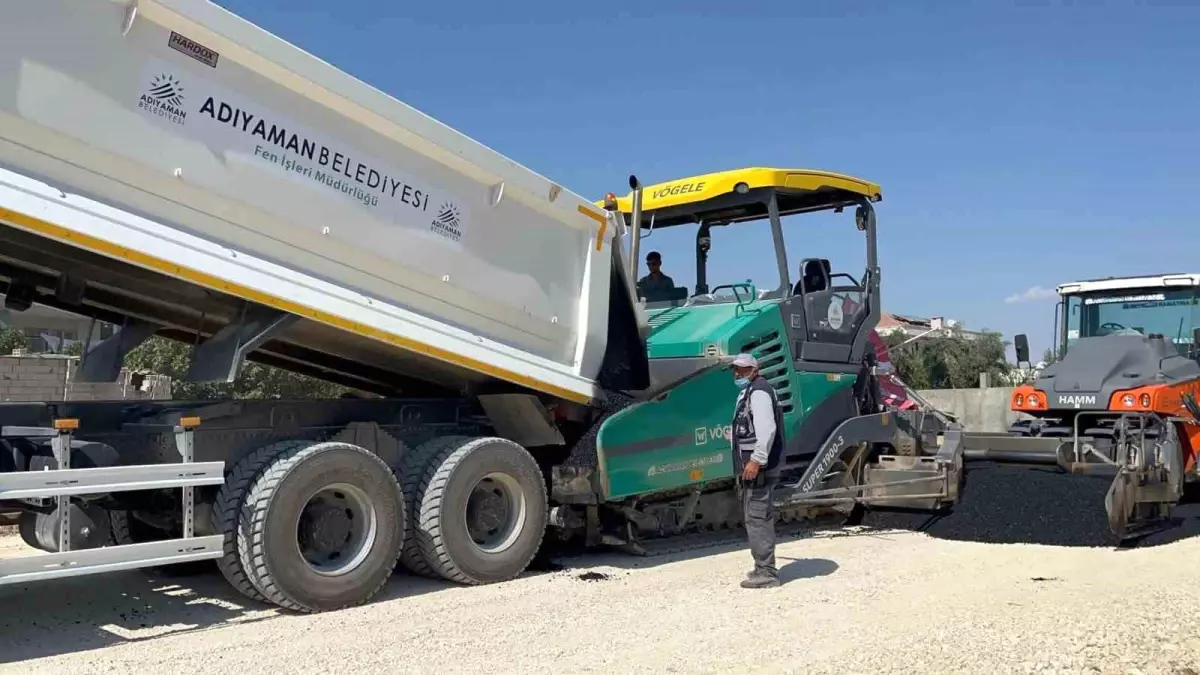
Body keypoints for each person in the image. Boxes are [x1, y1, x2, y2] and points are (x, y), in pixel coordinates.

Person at [728, 353, 785, 589]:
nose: (737, 374)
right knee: (757, 515)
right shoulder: (750, 391)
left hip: (759, 467)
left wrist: (756, 460)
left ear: (755, 369)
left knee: (757, 517)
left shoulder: (760, 392)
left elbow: (767, 429)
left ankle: (767, 572)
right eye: (735, 370)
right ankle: (762, 567)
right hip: (755, 465)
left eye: (742, 370)